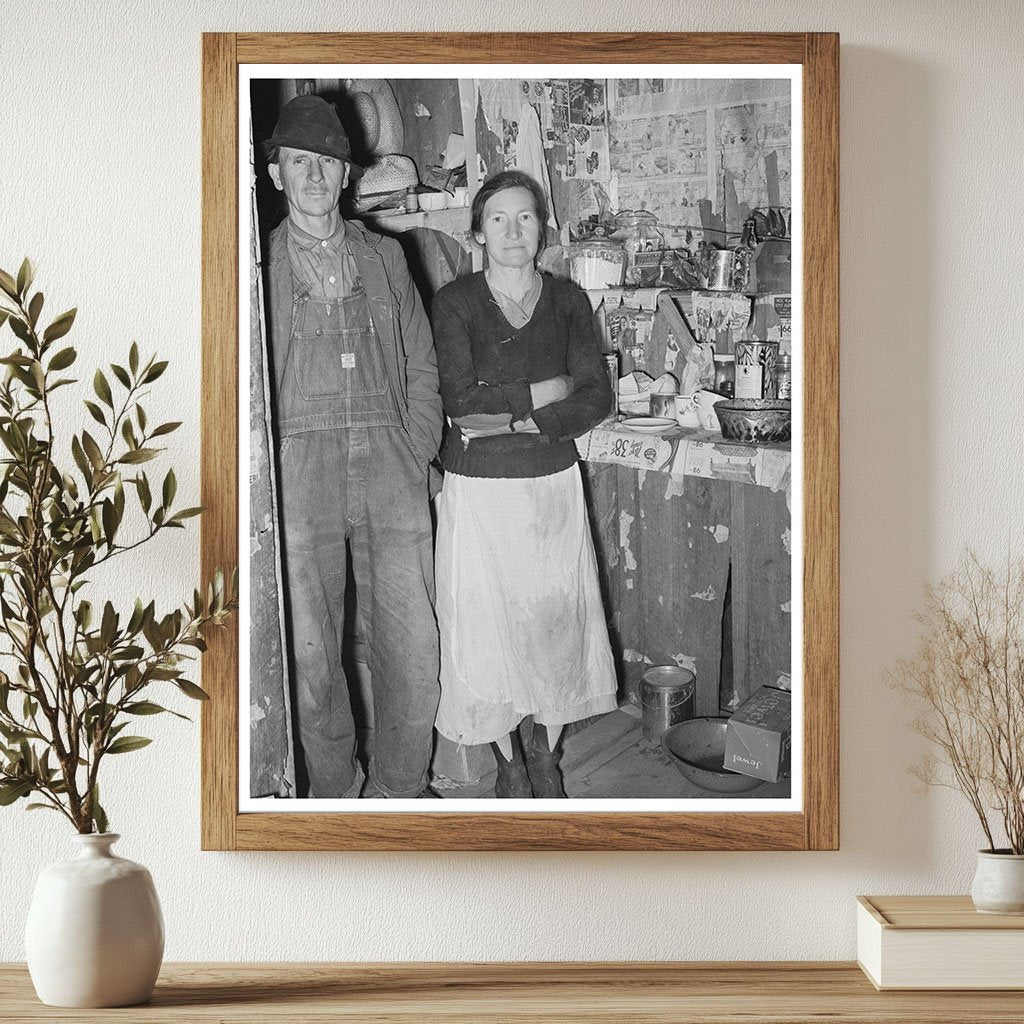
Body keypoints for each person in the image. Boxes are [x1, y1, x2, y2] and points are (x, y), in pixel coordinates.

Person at [262, 94, 442, 799]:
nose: (313, 176)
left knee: (411, 641)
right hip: (298, 470)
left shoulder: (386, 257)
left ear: (346, 175)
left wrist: (416, 447)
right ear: (276, 174)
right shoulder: (259, 267)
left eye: (326, 163)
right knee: (311, 654)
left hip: (390, 458)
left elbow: (422, 361)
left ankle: (402, 787)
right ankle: (335, 793)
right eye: (298, 162)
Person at [430, 170, 618, 798]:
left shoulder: (567, 302)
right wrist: (545, 391)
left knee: (554, 626)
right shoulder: (455, 304)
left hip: (550, 488)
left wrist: (518, 417)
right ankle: (507, 760)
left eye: (526, 217)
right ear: (478, 233)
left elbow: (594, 395)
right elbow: (460, 404)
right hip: (479, 494)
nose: (513, 231)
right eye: (498, 219)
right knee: (486, 626)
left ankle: (545, 752)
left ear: (542, 229)